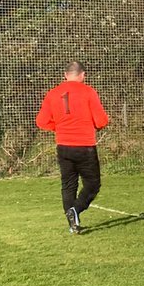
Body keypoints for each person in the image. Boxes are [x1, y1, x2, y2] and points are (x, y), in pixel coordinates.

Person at [35, 61, 109, 234]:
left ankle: (72, 223)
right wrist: (99, 124)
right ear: (82, 75)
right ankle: (75, 210)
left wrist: (59, 127)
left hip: (63, 146)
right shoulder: (89, 92)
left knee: (68, 185)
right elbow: (101, 120)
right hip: (85, 146)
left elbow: (41, 121)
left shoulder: (53, 93)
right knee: (93, 184)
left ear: (65, 75)